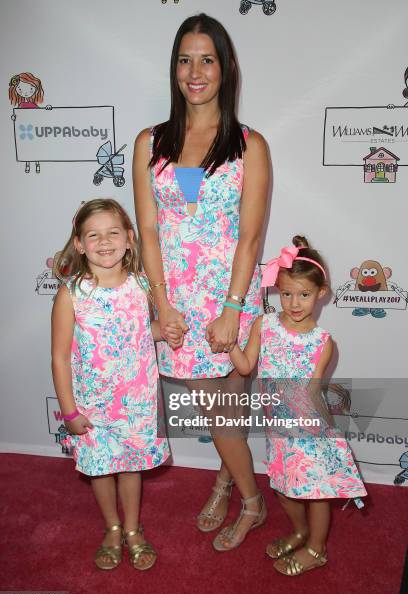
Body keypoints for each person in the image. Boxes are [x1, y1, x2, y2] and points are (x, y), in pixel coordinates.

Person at [133, 13, 270, 550]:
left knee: (223, 406)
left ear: (225, 67)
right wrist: (161, 304)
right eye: (185, 59)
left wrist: (234, 309)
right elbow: (147, 228)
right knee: (219, 409)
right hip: (178, 306)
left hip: (228, 297)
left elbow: (252, 237)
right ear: (174, 68)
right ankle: (242, 492)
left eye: (206, 59)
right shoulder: (151, 142)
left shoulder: (248, 144)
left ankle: (243, 497)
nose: (195, 72)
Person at [51, 198, 179, 571]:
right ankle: (112, 527)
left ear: (129, 239)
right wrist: (70, 411)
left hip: (137, 400)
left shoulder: (142, 286)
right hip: (93, 406)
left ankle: (134, 529)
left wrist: (164, 331)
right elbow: (60, 357)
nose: (104, 242)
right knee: (100, 468)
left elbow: (143, 331)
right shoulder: (70, 294)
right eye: (93, 235)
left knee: (130, 467)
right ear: (79, 243)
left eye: (113, 232)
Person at [229, 235, 367, 575]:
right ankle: (300, 531)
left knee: (315, 492)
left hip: (310, 429)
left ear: (321, 293)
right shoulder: (265, 326)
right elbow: (246, 366)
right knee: (283, 486)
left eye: (304, 294)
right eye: (287, 293)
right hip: (278, 429)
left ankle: (317, 549)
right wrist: (229, 343)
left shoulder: (323, 343)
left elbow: (312, 391)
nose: (293, 302)